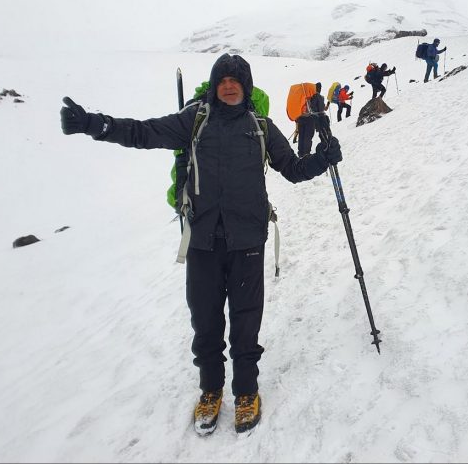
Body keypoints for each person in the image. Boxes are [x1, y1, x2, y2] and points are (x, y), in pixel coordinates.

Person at [59, 53, 342, 437]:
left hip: (247, 241)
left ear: (245, 86)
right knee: (205, 322)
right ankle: (211, 389)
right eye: (222, 80)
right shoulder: (194, 120)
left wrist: (322, 160)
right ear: (214, 85)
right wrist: (95, 124)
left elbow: (292, 169)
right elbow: (143, 132)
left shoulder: (260, 126)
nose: (228, 85)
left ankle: (246, 391)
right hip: (202, 242)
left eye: (235, 80)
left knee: (245, 323)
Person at [296, 82, 326, 157]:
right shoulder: (318, 96)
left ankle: (300, 153)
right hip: (310, 118)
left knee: (301, 136)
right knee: (308, 136)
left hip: (300, 118)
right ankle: (306, 154)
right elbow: (321, 109)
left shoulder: (306, 96)